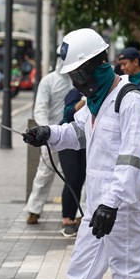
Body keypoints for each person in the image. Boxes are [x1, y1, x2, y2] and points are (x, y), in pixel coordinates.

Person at [22, 28, 140, 279]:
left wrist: (111, 204)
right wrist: (48, 133)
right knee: (81, 275)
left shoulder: (132, 101)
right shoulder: (96, 103)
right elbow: (77, 134)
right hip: (96, 206)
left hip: (122, 207)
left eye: (77, 75)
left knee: (128, 278)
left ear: (94, 66)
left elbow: (133, 160)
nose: (75, 83)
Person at [24, 46, 72, 226]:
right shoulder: (48, 81)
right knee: (45, 173)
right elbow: (40, 109)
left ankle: (81, 210)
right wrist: (46, 131)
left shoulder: (77, 80)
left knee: (80, 176)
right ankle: (34, 209)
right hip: (52, 135)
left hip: (75, 133)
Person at [58, 88, 87, 237]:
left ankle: (72, 218)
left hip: (85, 139)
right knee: (72, 177)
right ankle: (66, 220)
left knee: (80, 178)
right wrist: (85, 100)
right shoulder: (75, 92)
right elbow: (68, 114)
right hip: (68, 137)